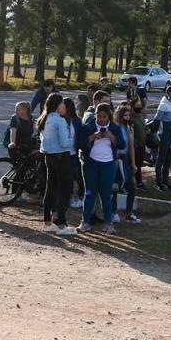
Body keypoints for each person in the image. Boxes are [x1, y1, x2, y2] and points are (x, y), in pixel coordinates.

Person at [76, 103, 123, 235]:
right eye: (99, 116)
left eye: (104, 117)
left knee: (105, 194)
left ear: (109, 116)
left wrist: (112, 137)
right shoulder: (88, 127)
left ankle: (109, 223)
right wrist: (92, 137)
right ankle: (85, 222)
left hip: (108, 164)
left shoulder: (115, 128)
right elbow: (79, 144)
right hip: (91, 164)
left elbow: (122, 144)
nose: (101, 119)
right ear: (95, 115)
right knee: (89, 193)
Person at [40, 92, 76, 235]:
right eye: (62, 103)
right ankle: (61, 225)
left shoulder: (45, 118)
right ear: (56, 105)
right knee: (63, 190)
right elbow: (64, 143)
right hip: (62, 157)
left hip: (49, 157)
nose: (64, 106)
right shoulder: (60, 120)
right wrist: (74, 140)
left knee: (50, 189)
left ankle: (47, 222)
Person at [114, 103, 141, 224]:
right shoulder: (114, 127)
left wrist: (133, 164)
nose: (127, 117)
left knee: (131, 187)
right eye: (124, 115)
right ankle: (113, 212)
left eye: (128, 115)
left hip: (124, 160)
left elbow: (131, 148)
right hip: (114, 160)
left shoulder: (129, 128)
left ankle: (128, 213)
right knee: (114, 187)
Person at [153, 85, 171, 190]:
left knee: (168, 158)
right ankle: (158, 181)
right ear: (169, 93)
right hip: (164, 134)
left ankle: (165, 180)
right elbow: (156, 119)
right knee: (161, 158)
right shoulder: (163, 105)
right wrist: (156, 133)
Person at [62, 96, 85, 209]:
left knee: (71, 177)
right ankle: (62, 199)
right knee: (62, 178)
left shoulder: (76, 121)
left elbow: (80, 137)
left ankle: (69, 198)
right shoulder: (59, 120)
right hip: (60, 153)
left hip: (72, 154)